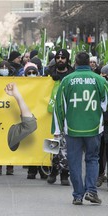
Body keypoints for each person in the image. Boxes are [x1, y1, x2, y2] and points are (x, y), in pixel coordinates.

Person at [52, 51, 106, 205]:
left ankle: (77, 195)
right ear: (89, 63)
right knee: (92, 159)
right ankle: (91, 191)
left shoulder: (67, 80)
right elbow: (105, 104)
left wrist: (57, 129)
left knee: (74, 161)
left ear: (75, 63)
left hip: (72, 128)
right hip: (94, 127)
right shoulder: (100, 80)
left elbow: (59, 106)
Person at [45, 49, 74, 186]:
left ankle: (64, 174)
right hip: (51, 115)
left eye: (63, 57)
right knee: (53, 144)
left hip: (68, 115)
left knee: (66, 147)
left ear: (67, 59)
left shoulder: (73, 75)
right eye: (58, 57)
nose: (60, 60)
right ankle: (53, 171)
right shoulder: (48, 74)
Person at [0, 60, 16, 175]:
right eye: (1, 67)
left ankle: (10, 166)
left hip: (11, 114)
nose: (3, 69)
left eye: (5, 67)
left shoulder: (14, 81)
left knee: (11, 141)